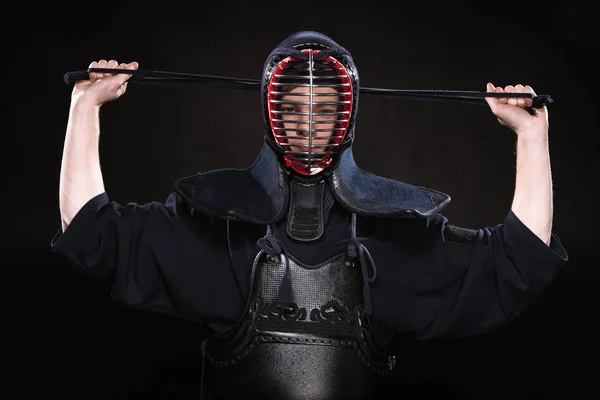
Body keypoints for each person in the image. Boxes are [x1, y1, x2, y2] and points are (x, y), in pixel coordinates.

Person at [51, 31, 568, 399]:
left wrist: (532, 137)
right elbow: (93, 235)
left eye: (325, 110)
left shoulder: (392, 242)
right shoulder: (220, 232)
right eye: (296, 108)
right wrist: (84, 109)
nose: (309, 125)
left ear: (348, 114)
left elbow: (517, 261)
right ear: (271, 110)